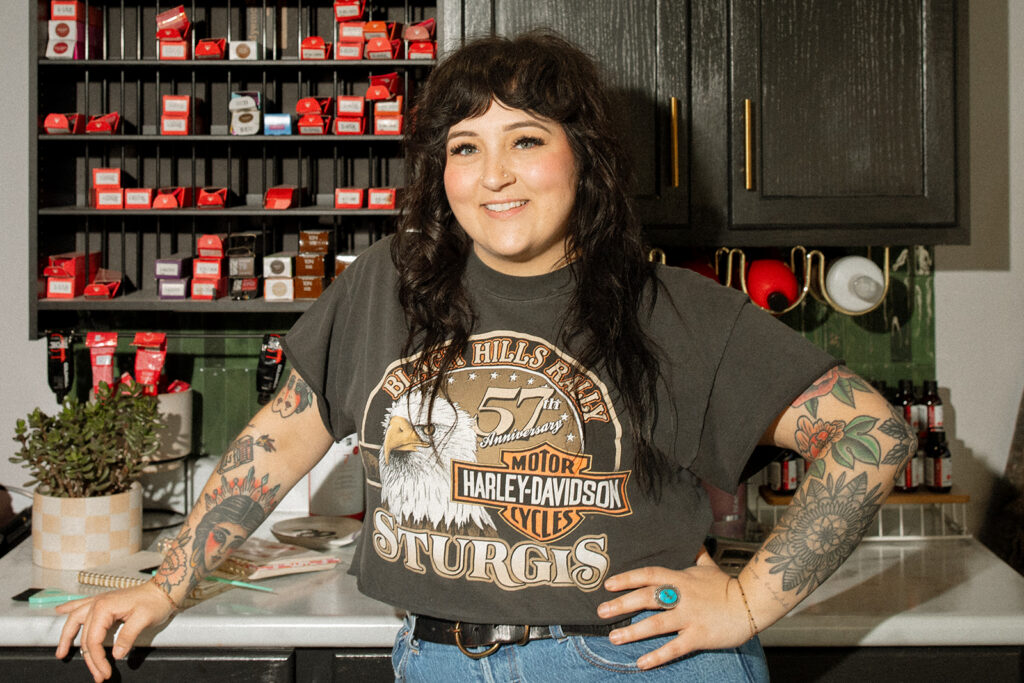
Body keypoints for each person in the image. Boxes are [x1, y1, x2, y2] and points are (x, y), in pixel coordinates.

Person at [54, 31, 916, 682]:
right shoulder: (386, 286)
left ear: (586, 159)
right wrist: (165, 585)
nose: (494, 174)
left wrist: (744, 601)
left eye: (527, 140)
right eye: (466, 147)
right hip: (436, 660)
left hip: (627, 664)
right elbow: (277, 444)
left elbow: (872, 433)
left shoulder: (676, 311)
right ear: (442, 172)